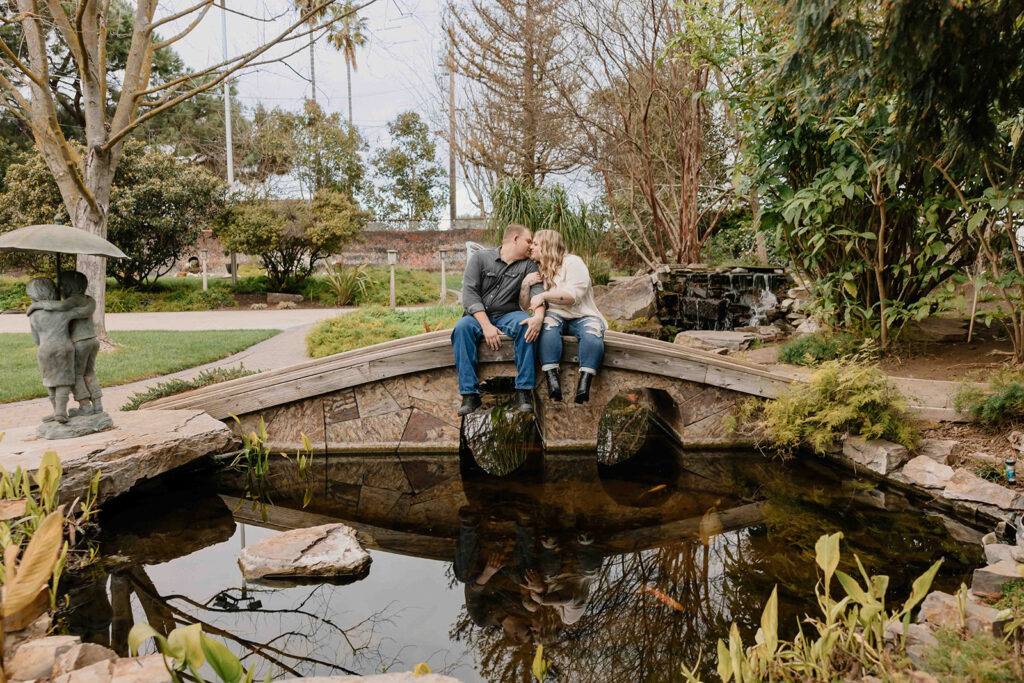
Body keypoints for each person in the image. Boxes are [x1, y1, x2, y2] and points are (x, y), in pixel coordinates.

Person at [452, 224, 545, 415]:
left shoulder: (528, 265)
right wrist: (486, 326)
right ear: (515, 239)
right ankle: (470, 394)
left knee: (526, 326)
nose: (530, 245)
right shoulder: (480, 258)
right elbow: (469, 295)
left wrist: (538, 316)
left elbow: (537, 295)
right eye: (528, 241)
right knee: (461, 329)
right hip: (477, 316)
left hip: (508, 314)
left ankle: (524, 390)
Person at [523, 230, 608, 403]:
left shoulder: (573, 262)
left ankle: (584, 385)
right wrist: (526, 285)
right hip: (555, 315)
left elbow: (572, 297)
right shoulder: (536, 269)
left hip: (582, 315)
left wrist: (545, 296)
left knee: (593, 333)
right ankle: (553, 382)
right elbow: (527, 305)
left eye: (536, 244)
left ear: (547, 246)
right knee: (547, 328)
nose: (532, 247)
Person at [32, 272, 103, 415]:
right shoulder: (89, 300)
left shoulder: (72, 301)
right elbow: (82, 312)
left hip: (79, 342)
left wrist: (35, 306)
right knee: (90, 372)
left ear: (69, 287)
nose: (61, 290)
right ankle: (97, 404)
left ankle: (85, 406)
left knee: (76, 375)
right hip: (92, 340)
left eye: (62, 286)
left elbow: (58, 307)